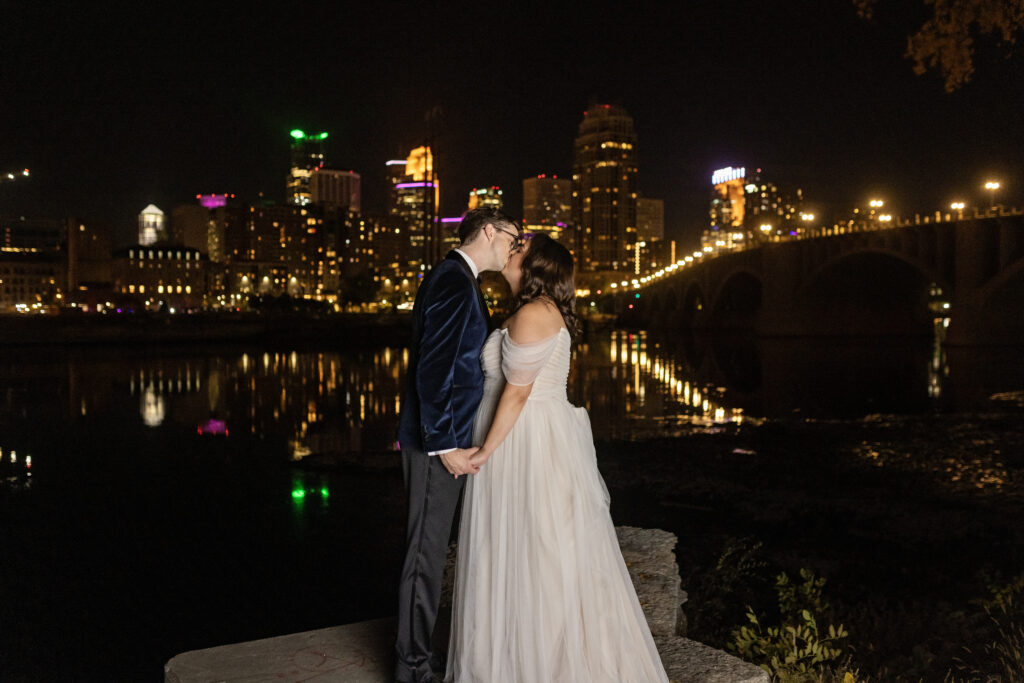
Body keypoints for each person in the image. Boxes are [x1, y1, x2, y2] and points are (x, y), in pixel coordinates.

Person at [445, 233, 669, 682]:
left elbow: (519, 391)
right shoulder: (531, 311)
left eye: (521, 250)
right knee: (518, 547)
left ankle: (538, 664)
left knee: (536, 550)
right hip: (521, 437)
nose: (513, 251)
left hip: (525, 442)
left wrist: (486, 450)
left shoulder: (534, 313)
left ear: (536, 267)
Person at [394, 207, 523, 683]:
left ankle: (418, 661)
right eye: (513, 236)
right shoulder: (453, 279)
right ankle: (413, 671)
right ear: (488, 230)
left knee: (429, 552)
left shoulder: (458, 279)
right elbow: (432, 369)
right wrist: (444, 443)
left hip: (438, 436)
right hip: (436, 445)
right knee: (425, 556)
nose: (515, 245)